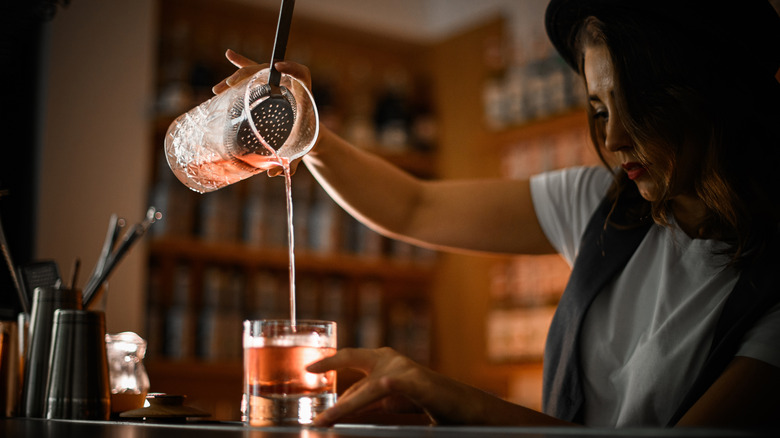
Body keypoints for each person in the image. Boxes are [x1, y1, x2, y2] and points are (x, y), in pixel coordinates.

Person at [214, 0, 780, 428]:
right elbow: (415, 207)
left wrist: (456, 399)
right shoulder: (606, 207)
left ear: (714, 96)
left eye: (638, 109)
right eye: (599, 108)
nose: (612, 138)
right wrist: (304, 129)